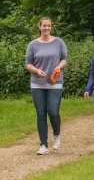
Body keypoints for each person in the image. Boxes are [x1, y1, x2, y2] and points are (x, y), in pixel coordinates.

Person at [25, 17, 68, 155]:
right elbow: (28, 63)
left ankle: (57, 135)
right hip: (37, 83)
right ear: (39, 27)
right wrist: (36, 70)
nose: (46, 28)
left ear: (51, 27)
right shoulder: (33, 44)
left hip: (55, 82)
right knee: (41, 114)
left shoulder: (59, 42)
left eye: (48, 26)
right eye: (44, 26)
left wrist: (58, 68)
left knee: (53, 111)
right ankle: (43, 144)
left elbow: (64, 59)